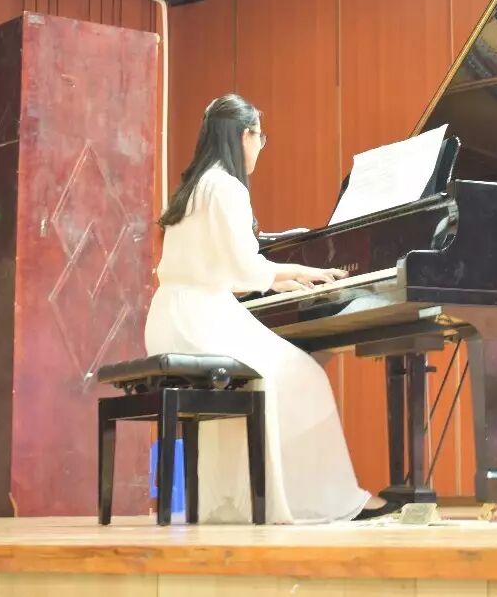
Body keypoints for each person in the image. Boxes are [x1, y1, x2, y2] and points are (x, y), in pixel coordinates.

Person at [144, 94, 396, 523]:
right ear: (245, 135)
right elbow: (245, 270)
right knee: (305, 376)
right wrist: (300, 271)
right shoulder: (228, 187)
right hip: (201, 321)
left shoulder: (193, 187)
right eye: (260, 137)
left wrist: (281, 279)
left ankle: (240, 501)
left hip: (170, 318)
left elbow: (226, 271)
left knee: (274, 379)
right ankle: (324, 500)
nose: (260, 146)